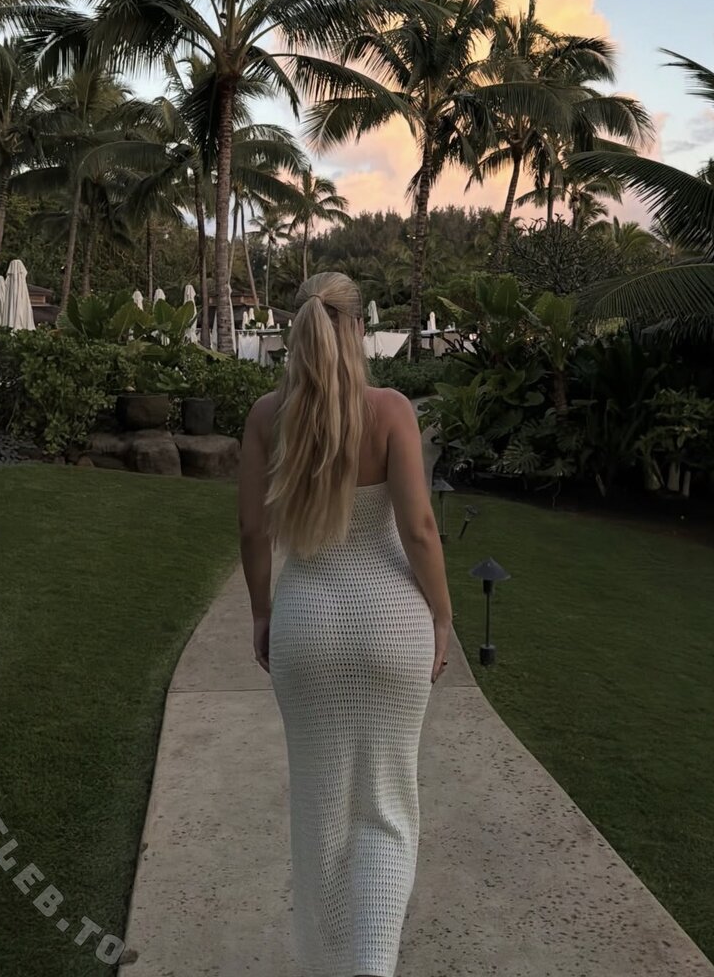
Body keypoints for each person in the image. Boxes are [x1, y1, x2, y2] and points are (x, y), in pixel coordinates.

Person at [237, 271, 453, 977]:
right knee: (386, 807)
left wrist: (262, 613)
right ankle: (372, 965)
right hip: (392, 627)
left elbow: (251, 532)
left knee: (322, 808)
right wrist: (442, 614)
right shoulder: (390, 411)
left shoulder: (267, 417)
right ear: (358, 328)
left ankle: (331, 961)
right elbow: (419, 529)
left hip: (305, 629)